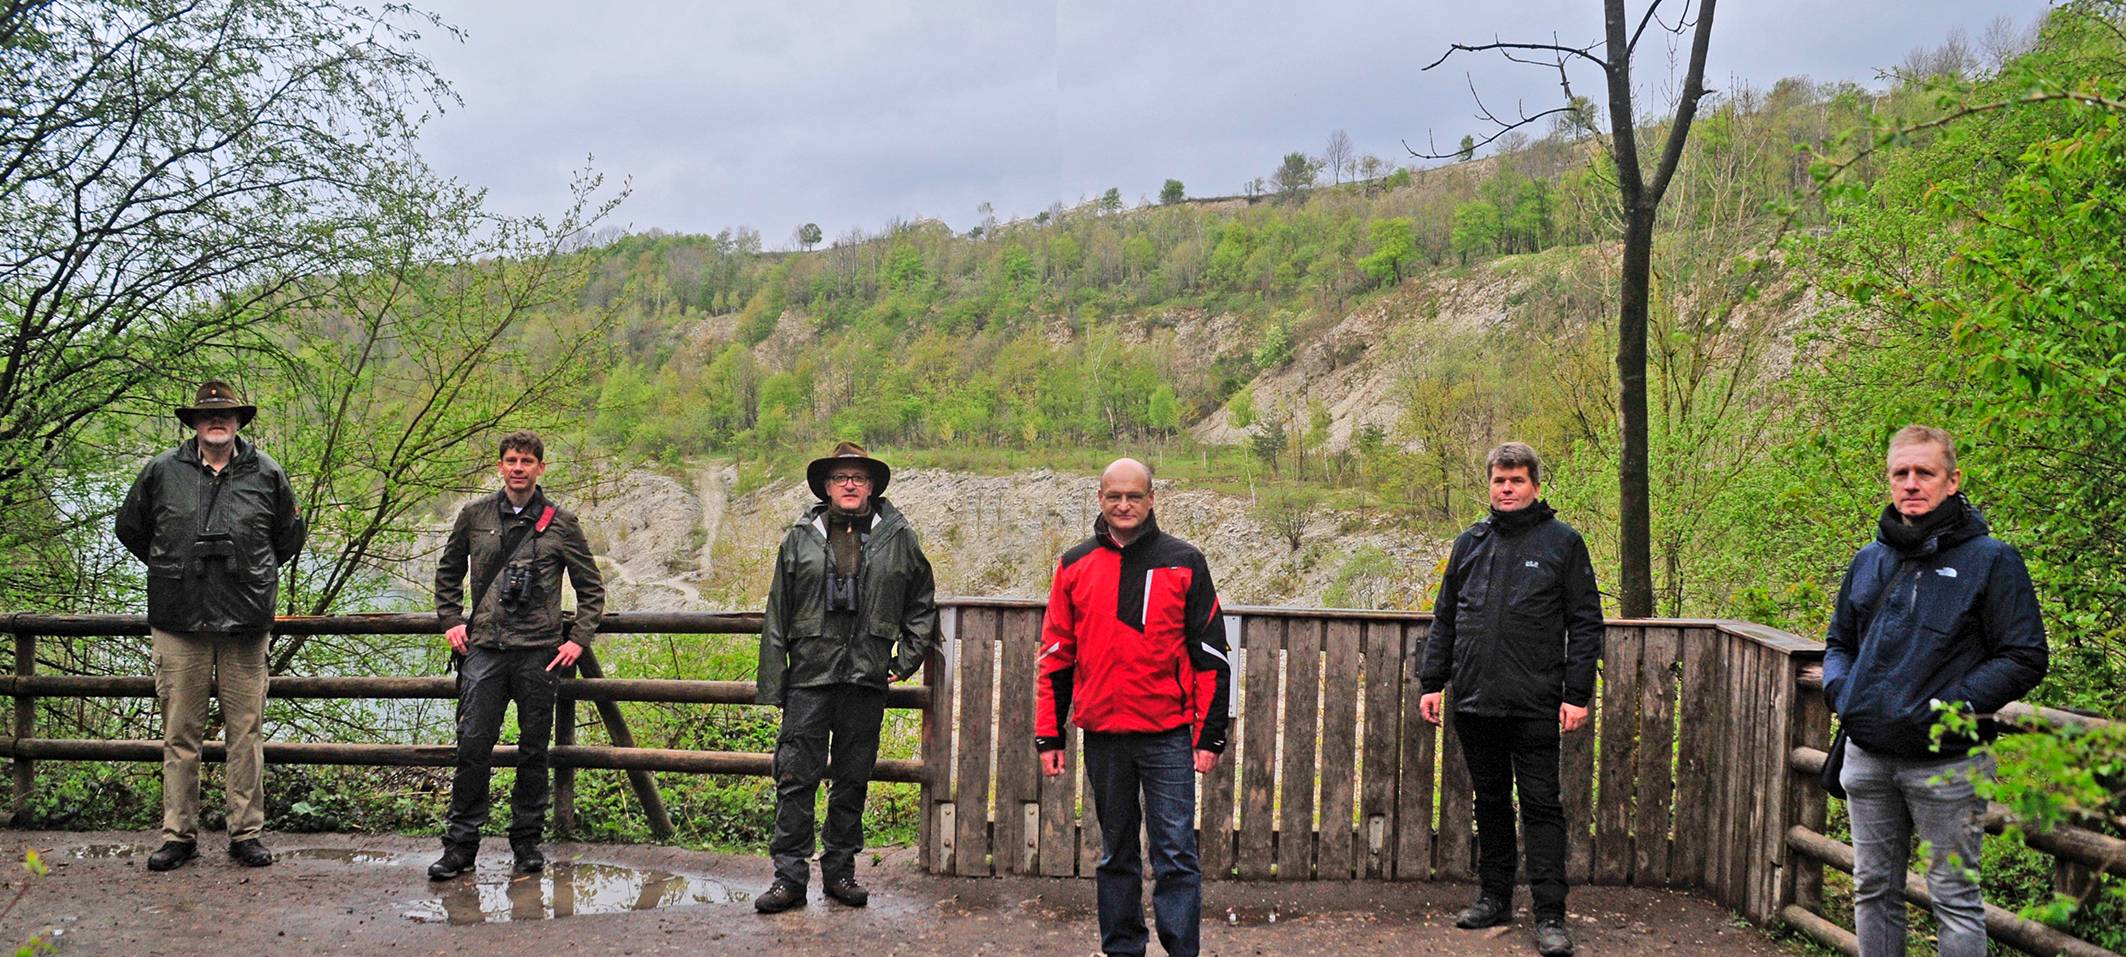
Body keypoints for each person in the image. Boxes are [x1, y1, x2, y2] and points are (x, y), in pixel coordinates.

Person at [1823, 425, 2047, 957]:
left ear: (1952, 481)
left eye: (1925, 472)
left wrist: (1951, 708)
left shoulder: (1992, 561)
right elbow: (1838, 642)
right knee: (1873, 888)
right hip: (1868, 753)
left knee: (1953, 897)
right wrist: (1842, 692)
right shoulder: (1869, 560)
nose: (1911, 483)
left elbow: (2024, 655)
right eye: (1901, 473)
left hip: (1947, 761)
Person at [1037, 458, 1232, 957]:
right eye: (1113, 496)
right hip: (1103, 735)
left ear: (1151, 499)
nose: (1124, 505)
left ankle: (1181, 949)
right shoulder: (1073, 564)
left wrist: (1208, 736)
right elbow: (1056, 654)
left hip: (1167, 735)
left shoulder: (1185, 561)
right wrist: (1049, 735)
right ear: (1099, 499)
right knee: (1115, 854)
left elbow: (1210, 654)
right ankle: (1122, 948)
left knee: (1175, 855)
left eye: (1134, 496)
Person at [1417, 442, 1601, 957]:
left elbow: (1585, 623)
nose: (1507, 488)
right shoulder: (1469, 543)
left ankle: (1550, 916)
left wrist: (1577, 694)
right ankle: (1494, 897)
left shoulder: (1564, 544)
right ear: (1490, 485)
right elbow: (1446, 619)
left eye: (1517, 480)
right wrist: (1433, 683)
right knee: (1490, 802)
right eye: (1500, 480)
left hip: (1537, 702)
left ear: (1535, 486)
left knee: (1542, 806)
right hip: (1474, 699)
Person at [115, 380, 307, 872]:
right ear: (194, 423)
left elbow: (288, 537)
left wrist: (252, 573)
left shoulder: (267, 474)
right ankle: (178, 834)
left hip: (245, 622)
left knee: (246, 732)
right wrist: (173, 568)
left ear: (239, 421)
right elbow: (130, 529)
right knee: (180, 732)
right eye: (206, 416)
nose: (215, 423)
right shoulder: (161, 471)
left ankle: (246, 834)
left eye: (224, 415)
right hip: (179, 622)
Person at [753, 441, 940, 913]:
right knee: (795, 777)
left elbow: (921, 601)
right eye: (841, 477)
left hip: (865, 678)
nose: (851, 484)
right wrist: (774, 683)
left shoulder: (899, 536)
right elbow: (778, 611)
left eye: (859, 477)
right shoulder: (800, 536)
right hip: (810, 678)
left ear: (872, 486)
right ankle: (789, 878)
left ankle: (840, 872)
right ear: (827, 487)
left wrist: (906, 657)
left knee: (852, 779)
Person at [430, 430, 604, 880]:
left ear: (540, 468)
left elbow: (591, 589)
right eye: (511, 460)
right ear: (500, 466)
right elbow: (447, 571)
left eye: (527, 461)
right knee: (472, 747)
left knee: (533, 752)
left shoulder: (561, 522)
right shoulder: (474, 515)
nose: (518, 468)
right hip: (484, 649)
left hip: (539, 653)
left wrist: (578, 639)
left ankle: (526, 843)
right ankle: (460, 845)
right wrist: (450, 619)